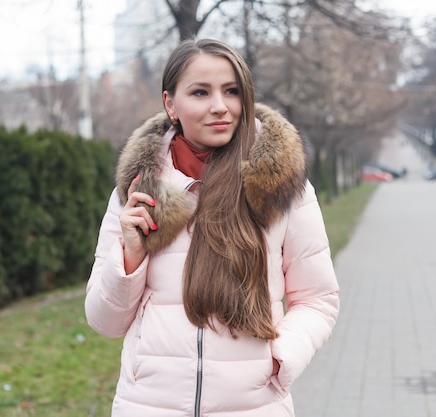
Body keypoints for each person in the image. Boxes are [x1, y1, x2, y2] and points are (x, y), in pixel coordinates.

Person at [85, 38, 339, 417]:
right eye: (200, 92)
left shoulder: (281, 188)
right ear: (171, 104)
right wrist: (129, 257)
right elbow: (104, 322)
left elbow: (318, 299)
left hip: (253, 406)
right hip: (149, 406)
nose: (220, 106)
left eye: (232, 91)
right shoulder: (137, 191)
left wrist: (279, 360)